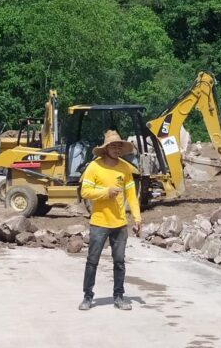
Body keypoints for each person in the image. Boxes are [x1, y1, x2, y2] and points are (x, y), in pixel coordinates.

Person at [78, 130, 142, 311]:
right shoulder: (94, 167)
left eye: (119, 146)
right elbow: (85, 192)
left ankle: (119, 296)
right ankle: (87, 296)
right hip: (99, 222)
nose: (117, 149)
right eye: (113, 146)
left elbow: (131, 196)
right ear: (106, 149)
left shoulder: (125, 168)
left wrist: (137, 218)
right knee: (92, 261)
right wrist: (105, 193)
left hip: (120, 224)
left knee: (119, 261)